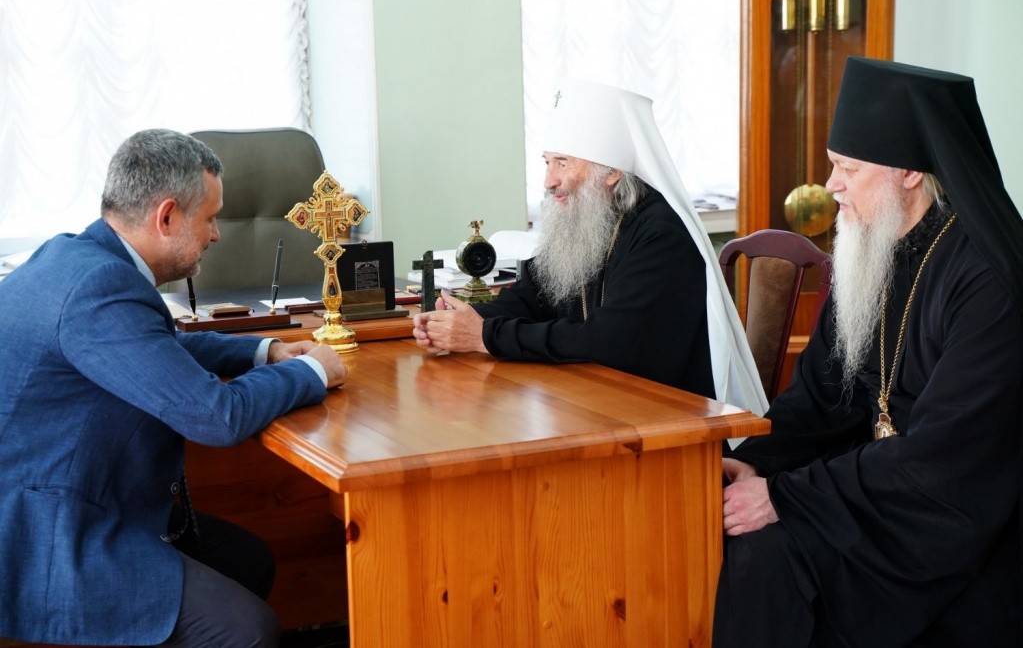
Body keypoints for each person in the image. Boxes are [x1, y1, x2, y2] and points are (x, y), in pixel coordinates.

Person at [714, 57, 1023, 646]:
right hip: (880, 486)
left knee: (768, 555)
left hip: (954, 525)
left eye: (846, 168)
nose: (831, 186)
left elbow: (946, 459)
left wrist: (782, 496)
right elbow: (821, 396)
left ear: (908, 171)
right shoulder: (877, 246)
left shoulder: (988, 279)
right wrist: (757, 462)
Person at [0, 129, 348, 647]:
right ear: (166, 217)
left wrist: (265, 351)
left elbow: (153, 348)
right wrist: (313, 371)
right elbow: (217, 416)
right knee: (248, 632)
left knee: (248, 560)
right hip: (49, 537)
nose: (217, 235)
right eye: (210, 218)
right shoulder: (101, 289)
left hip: (74, 497)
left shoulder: (81, 259)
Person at [413, 78, 767, 412]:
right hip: (594, 399)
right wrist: (460, 321)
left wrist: (487, 335)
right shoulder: (588, 218)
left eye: (563, 163)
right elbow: (532, 295)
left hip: (664, 416)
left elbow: (612, 342)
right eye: (547, 162)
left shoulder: (662, 233)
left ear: (611, 172)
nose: (549, 181)